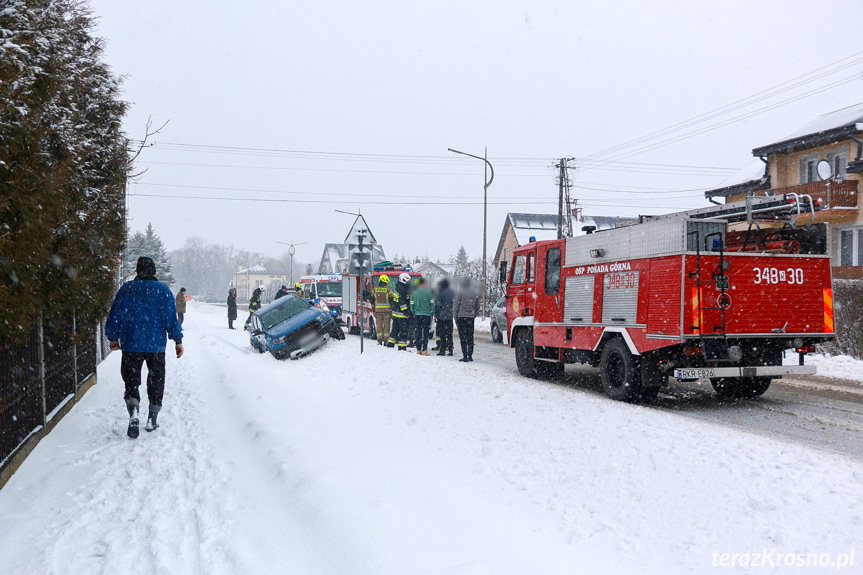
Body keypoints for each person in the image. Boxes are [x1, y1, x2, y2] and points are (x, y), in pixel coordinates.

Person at [105, 256, 183, 438]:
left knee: (131, 380)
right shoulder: (163, 291)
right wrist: (177, 341)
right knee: (156, 381)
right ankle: (152, 417)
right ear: (154, 272)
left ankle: (133, 411)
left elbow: (115, 315)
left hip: (131, 343)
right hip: (156, 346)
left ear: (138, 271)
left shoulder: (126, 290)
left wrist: (113, 337)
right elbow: (171, 319)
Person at [454, 277, 479, 362]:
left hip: (461, 317)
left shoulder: (459, 293)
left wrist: (456, 317)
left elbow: (456, 306)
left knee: (463, 337)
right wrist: (473, 315)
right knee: (470, 336)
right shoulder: (474, 293)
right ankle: (470, 355)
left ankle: (465, 356)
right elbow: (477, 306)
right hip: (470, 317)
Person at [387, 273, 412, 350]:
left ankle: (390, 344)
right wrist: (406, 312)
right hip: (401, 314)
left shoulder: (398, 287)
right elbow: (402, 302)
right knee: (403, 331)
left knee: (395, 330)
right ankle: (402, 347)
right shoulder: (403, 289)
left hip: (396, 313)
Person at [411, 277, 435, 356]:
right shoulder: (429, 293)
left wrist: (414, 313)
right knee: (425, 332)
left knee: (418, 332)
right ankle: (424, 350)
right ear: (424, 283)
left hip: (417, 315)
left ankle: (418, 349)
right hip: (427, 315)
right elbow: (432, 304)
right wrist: (431, 312)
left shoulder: (414, 293)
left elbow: (411, 305)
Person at [434, 278, 454, 356]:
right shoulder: (452, 292)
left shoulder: (440, 293)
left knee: (442, 334)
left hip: (442, 317)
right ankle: (450, 349)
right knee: (449, 334)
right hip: (450, 316)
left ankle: (442, 350)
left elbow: (438, 305)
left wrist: (437, 314)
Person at [373, 274, 392, 345]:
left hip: (378, 311)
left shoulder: (375, 289)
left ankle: (379, 339)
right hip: (387, 311)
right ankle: (386, 340)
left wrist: (373, 309)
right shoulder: (388, 290)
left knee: (379, 325)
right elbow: (391, 299)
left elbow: (372, 300)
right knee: (386, 326)